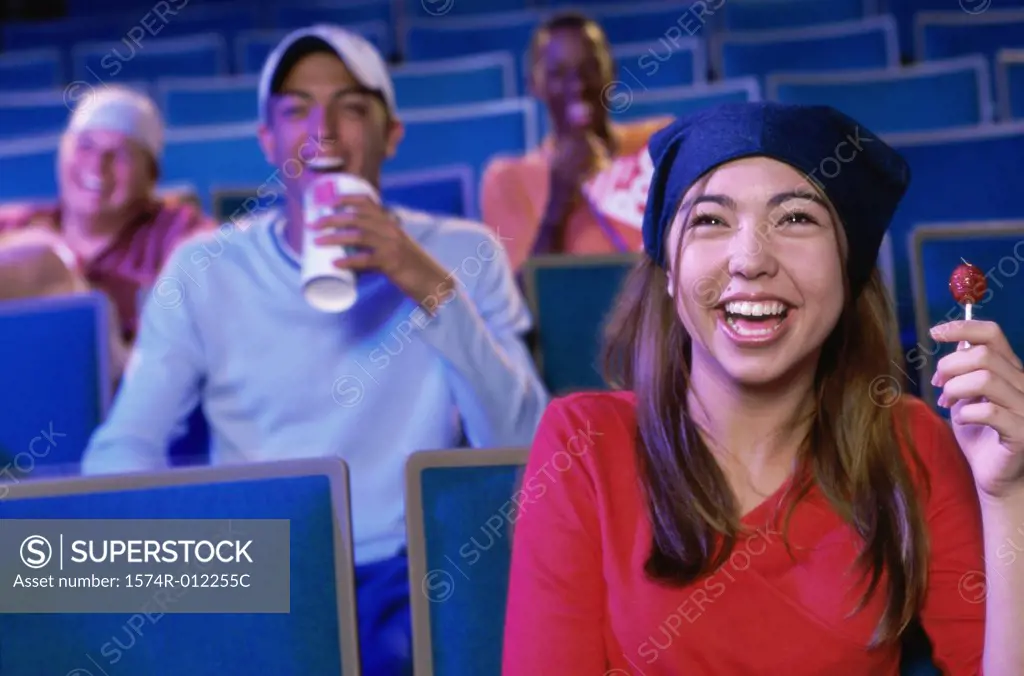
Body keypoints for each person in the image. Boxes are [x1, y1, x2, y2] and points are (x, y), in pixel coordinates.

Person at [81, 24, 549, 676]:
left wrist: (427, 286)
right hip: (256, 564)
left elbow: (523, 448)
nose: (322, 129)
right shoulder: (204, 269)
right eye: (296, 109)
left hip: (413, 564)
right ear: (268, 141)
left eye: (351, 107)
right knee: (36, 574)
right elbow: (126, 444)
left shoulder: (464, 253)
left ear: (391, 136)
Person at [503, 102, 1024, 674]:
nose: (750, 259)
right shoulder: (584, 443)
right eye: (710, 220)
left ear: (848, 270)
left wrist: (1007, 496)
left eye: (796, 218)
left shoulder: (913, 441)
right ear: (671, 272)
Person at [0, 86, 214, 352]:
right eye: (85, 145)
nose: (98, 165)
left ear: (151, 175)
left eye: (121, 154)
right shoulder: (15, 227)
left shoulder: (178, 233)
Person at [480, 11, 670, 272]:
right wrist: (559, 196)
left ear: (611, 72)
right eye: (558, 73)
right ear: (534, 85)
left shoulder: (660, 141)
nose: (578, 85)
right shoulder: (508, 179)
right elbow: (523, 300)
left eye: (590, 68)